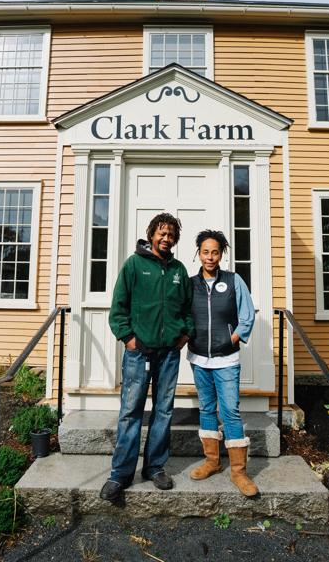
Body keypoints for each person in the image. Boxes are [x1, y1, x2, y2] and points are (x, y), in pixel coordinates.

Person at [100, 213, 193, 502]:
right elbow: (118, 307)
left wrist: (185, 335)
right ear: (151, 234)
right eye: (161, 234)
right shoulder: (133, 265)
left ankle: (154, 467)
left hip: (168, 354)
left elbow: (189, 309)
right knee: (131, 412)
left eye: (171, 235)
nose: (166, 239)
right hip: (138, 353)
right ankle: (120, 474)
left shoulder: (179, 270)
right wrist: (128, 338)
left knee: (163, 410)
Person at [187, 230, 258, 497]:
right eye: (205, 251)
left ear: (221, 254)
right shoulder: (190, 283)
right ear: (199, 253)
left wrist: (233, 338)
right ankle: (212, 462)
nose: (210, 257)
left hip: (226, 358)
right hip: (198, 358)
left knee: (230, 410)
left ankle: (239, 472)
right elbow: (183, 314)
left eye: (215, 252)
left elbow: (247, 315)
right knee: (206, 409)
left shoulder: (233, 280)